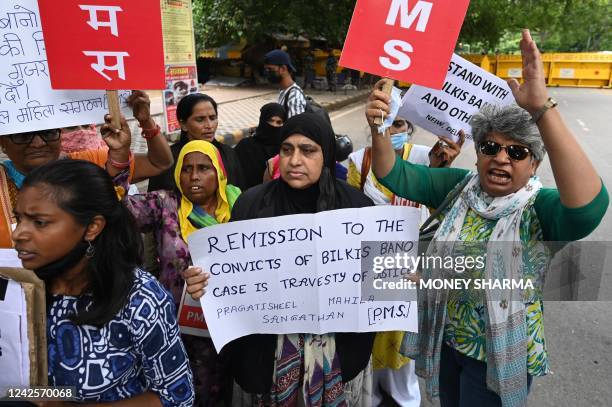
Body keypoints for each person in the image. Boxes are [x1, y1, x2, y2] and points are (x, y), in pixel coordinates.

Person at [366, 30, 609, 407]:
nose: (501, 158)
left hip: (499, 355)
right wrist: (379, 126)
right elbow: (393, 174)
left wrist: (542, 108)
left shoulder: (538, 208)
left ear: (534, 164)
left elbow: (587, 209)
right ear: (478, 152)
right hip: (446, 340)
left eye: (517, 151)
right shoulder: (459, 187)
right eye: (491, 147)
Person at [183, 113, 376, 405]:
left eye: (308, 150)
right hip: (264, 358)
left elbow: (379, 283)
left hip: (336, 357)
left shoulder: (357, 208)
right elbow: (234, 279)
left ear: (326, 154)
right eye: (287, 149)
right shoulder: (251, 204)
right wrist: (204, 283)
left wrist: (395, 275)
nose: (295, 160)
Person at [12, 159, 194, 406]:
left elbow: (176, 396)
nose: (18, 234)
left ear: (92, 227)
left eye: (39, 222)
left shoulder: (140, 298)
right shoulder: (20, 289)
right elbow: (26, 390)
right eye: (19, 218)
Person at [347, 113, 463, 407]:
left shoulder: (424, 157)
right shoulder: (359, 160)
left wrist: (443, 164)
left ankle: (404, 394)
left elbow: (439, 196)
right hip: (369, 256)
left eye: (398, 124)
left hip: (411, 258)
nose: (392, 129)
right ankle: (369, 392)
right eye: (386, 123)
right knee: (369, 330)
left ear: (408, 128)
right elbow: (349, 207)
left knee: (402, 328)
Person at [119, 140, 240, 406]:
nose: (194, 176)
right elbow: (122, 208)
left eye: (204, 168)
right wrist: (119, 159)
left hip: (225, 328)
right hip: (174, 328)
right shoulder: (165, 204)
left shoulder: (239, 206)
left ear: (219, 172)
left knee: (219, 392)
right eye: (187, 169)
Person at [0, 90, 174, 248]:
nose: (38, 143)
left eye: (48, 133)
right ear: (3, 144)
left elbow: (159, 163)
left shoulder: (88, 164)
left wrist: (146, 121)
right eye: (22, 136)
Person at [147, 93, 245, 192]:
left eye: (212, 118)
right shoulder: (168, 160)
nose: (209, 125)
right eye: (200, 119)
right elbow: (157, 202)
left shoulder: (228, 153)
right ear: (183, 124)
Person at [234, 103, 286, 190]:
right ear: (262, 120)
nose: (274, 125)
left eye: (279, 122)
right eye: (270, 121)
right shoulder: (245, 146)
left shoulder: (285, 150)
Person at [263, 49, 307, 118]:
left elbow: (296, 127)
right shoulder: (284, 90)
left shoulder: (294, 97)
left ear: (283, 69)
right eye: (266, 69)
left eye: (270, 69)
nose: (267, 72)